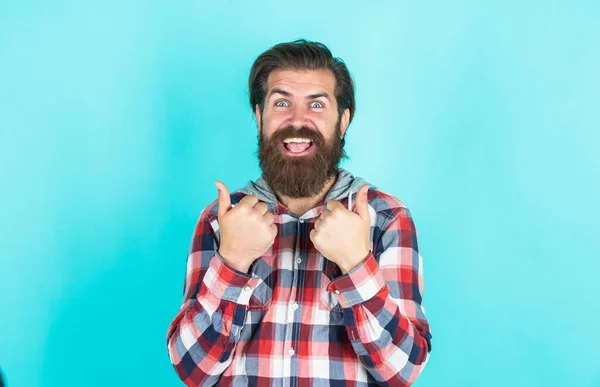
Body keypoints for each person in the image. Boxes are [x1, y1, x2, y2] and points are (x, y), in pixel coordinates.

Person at [166, 39, 432, 386]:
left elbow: (402, 372)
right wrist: (232, 260)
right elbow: (192, 370)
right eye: (281, 103)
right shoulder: (221, 220)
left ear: (343, 121)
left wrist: (355, 263)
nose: (297, 121)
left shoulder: (386, 218)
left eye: (317, 104)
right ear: (259, 116)